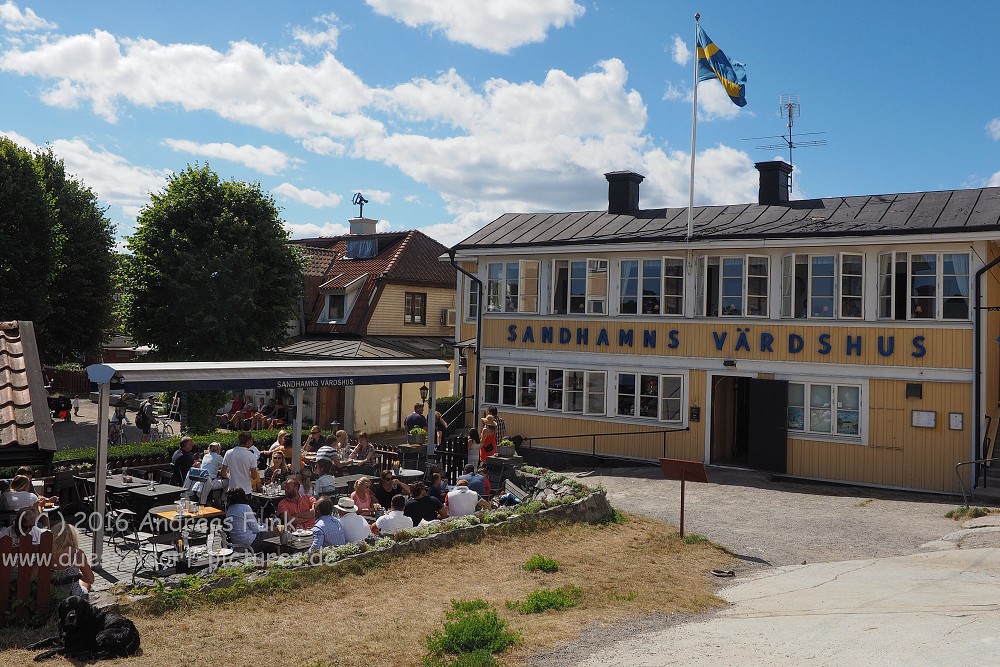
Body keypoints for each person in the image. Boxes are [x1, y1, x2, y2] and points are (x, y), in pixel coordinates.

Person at [225, 488, 280, 554]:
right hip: (249, 544)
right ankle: (278, 556)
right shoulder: (245, 507)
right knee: (274, 534)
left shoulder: (229, 510)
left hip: (237, 546)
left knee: (268, 534)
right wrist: (268, 527)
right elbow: (256, 529)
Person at [50, 523, 94, 598]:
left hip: (52, 596)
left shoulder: (46, 553)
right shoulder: (78, 553)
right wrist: (79, 575)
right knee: (87, 584)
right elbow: (90, 580)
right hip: (73, 597)